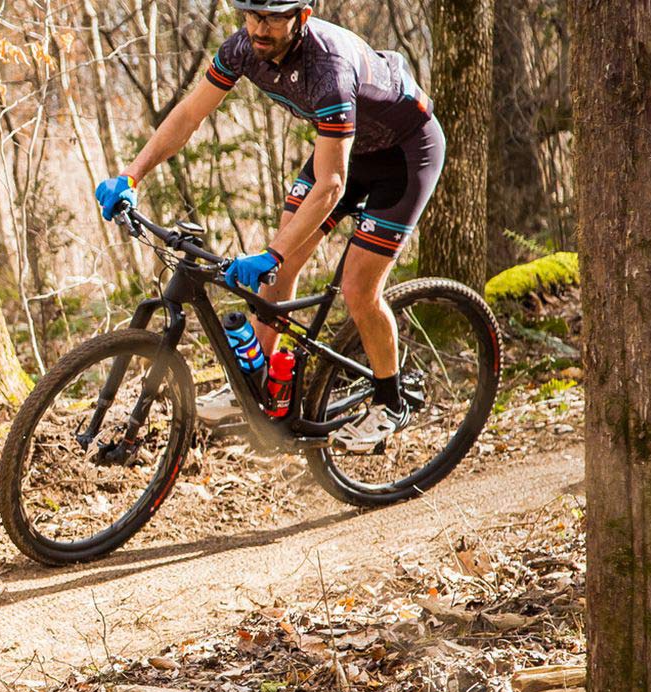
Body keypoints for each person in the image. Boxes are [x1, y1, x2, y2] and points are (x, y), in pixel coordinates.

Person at [93, 0, 445, 453]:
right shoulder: (242, 48)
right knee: (278, 270)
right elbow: (188, 116)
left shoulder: (328, 66)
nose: (260, 27)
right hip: (347, 150)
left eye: (273, 17)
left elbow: (331, 184)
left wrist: (272, 252)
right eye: (252, 15)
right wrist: (131, 175)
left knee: (358, 288)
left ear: (301, 17)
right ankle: (263, 385)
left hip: (405, 154)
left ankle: (390, 399)